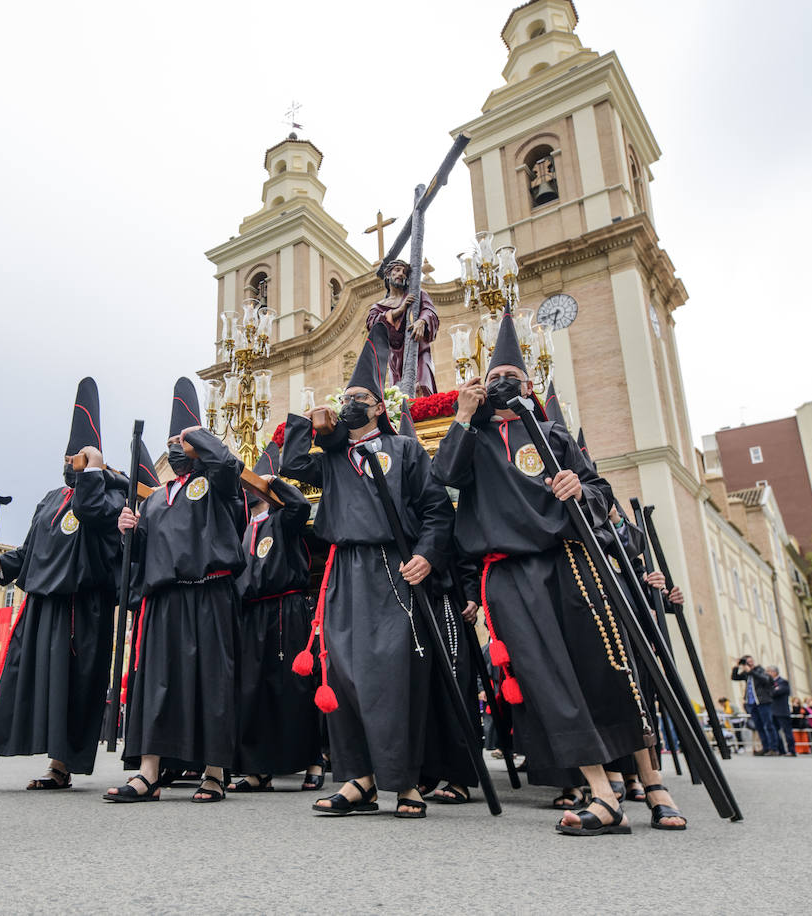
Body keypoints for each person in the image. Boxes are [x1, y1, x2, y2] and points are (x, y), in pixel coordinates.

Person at [431, 313, 683, 834]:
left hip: (568, 561)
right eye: (494, 375)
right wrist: (463, 413)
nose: (504, 383)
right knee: (549, 680)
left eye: (513, 376)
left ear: (529, 385)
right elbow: (444, 476)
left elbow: (601, 493)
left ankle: (653, 783)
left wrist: (578, 489)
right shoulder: (472, 441)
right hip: (507, 575)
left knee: (607, 668)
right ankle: (601, 794)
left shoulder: (553, 434)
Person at [281, 325, 457, 819]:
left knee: (391, 676)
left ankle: (404, 784)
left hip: (391, 569)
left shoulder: (404, 450)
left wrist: (427, 553)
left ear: (379, 406)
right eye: (347, 397)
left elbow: (437, 510)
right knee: (344, 674)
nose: (351, 403)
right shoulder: (333, 456)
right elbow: (293, 463)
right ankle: (358, 780)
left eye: (360, 397)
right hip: (342, 572)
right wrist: (312, 422)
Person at [0, 378, 125, 793]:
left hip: (83, 608)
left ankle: (61, 766)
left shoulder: (112, 495)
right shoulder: (49, 498)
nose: (69, 463)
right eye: (67, 457)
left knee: (72, 685)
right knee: (16, 679)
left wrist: (94, 472)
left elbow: (91, 510)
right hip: (41, 603)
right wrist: (3, 563)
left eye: (77, 456)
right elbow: (31, 549)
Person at [106, 377, 245, 804]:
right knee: (156, 683)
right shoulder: (155, 498)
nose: (175, 448)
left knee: (211, 682)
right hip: (164, 598)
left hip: (210, 592)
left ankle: (214, 772)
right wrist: (128, 531)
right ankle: (149, 771)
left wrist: (196, 435)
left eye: (182, 441)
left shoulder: (218, 484)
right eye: (171, 442)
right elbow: (143, 553)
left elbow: (228, 464)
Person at [230, 442, 322, 793]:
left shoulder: (284, 517)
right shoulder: (243, 525)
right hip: (252, 613)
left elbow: (300, 505)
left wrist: (275, 483)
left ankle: (313, 760)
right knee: (253, 690)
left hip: (287, 609)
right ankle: (257, 768)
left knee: (295, 686)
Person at [366, 260, 439, 397]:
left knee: (422, 387)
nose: (401, 274)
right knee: (400, 396)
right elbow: (373, 325)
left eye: (405, 272)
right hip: (395, 360)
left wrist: (422, 321)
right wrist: (400, 310)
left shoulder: (418, 295)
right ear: (388, 274)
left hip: (419, 353)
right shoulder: (379, 306)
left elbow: (430, 311)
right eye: (397, 270)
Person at [731, 656, 778, 755]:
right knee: (759, 726)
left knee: (768, 725)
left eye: (751, 661)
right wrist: (737, 666)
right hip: (752, 704)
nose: (750, 663)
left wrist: (751, 671)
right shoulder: (746, 674)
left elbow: (765, 680)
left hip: (763, 702)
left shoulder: (760, 670)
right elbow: (734, 677)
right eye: (747, 662)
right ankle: (765, 748)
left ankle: (773, 748)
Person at [768, 666, 794, 756]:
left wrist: (772, 691)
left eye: (769, 672)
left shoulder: (783, 682)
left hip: (782, 711)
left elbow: (775, 693)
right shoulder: (769, 683)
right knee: (775, 731)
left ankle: (791, 750)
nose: (767, 674)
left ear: (774, 672)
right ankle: (781, 750)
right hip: (772, 711)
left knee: (787, 732)